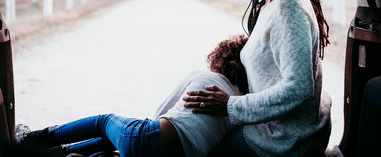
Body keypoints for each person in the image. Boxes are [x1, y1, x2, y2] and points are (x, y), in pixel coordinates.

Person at [183, 0, 332, 156]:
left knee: (197, 147)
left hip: (286, 142)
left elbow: (299, 88)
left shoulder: (290, 5)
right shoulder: (268, 8)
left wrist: (230, 106)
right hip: (268, 130)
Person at [17, 35, 249, 157]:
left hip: (148, 138)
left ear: (220, 58)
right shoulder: (237, 106)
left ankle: (33, 139)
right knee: (111, 138)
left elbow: (159, 113)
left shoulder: (203, 77)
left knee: (104, 122)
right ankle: (60, 153)